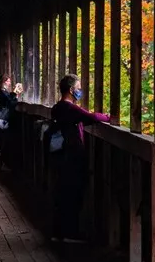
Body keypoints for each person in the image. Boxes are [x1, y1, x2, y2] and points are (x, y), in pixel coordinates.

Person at [45, 73, 110, 242]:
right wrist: (110, 117)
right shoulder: (69, 108)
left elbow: (80, 120)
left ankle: (58, 231)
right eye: (79, 88)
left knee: (62, 192)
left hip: (61, 155)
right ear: (71, 89)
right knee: (73, 192)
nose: (80, 91)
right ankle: (70, 232)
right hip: (71, 155)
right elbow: (92, 117)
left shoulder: (58, 108)